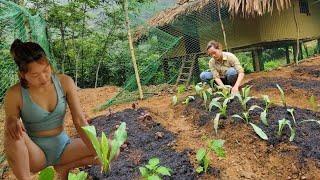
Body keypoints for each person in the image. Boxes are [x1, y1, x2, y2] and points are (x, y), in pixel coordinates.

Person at [4, 39, 99, 180]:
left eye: (45, 69)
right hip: (36, 154)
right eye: (35, 75)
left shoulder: (65, 82)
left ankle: (65, 166)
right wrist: (12, 121)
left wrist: (98, 153)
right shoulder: (14, 94)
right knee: (12, 132)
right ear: (23, 75)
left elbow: (79, 120)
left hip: (63, 147)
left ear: (49, 63)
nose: (43, 78)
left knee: (110, 150)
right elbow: (11, 119)